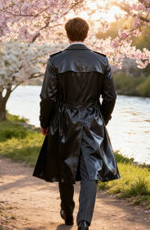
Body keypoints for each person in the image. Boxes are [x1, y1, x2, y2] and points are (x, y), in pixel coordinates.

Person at [33, 17, 120, 230]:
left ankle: (67, 212)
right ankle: (84, 221)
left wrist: (45, 122)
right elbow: (110, 97)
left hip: (63, 120)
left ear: (67, 34)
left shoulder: (56, 60)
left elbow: (48, 97)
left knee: (66, 165)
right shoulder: (101, 61)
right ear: (86, 34)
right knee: (92, 170)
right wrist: (102, 119)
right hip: (92, 120)